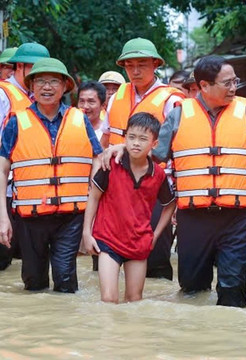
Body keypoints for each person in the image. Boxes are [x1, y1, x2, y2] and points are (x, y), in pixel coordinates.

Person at [102, 55, 246, 307]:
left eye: (235, 81)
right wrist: (121, 149)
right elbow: (155, 153)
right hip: (192, 219)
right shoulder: (180, 114)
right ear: (204, 86)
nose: (234, 88)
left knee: (232, 291)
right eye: (227, 83)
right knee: (193, 292)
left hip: (237, 218)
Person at [0, 57, 102, 292]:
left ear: (65, 86)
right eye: (41, 81)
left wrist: (93, 207)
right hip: (29, 217)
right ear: (32, 87)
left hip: (70, 217)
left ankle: (66, 327)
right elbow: (2, 168)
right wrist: (3, 217)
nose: (47, 87)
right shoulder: (16, 122)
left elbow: (98, 158)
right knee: (33, 282)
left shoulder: (79, 119)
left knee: (66, 281)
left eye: (54, 81)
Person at [100, 37, 184, 280]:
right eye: (129, 65)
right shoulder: (116, 97)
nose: (135, 71)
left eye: (142, 64)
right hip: (116, 187)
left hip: (153, 187)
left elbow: (176, 148)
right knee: (110, 252)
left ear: (155, 64)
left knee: (155, 256)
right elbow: (106, 141)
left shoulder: (172, 100)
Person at [83, 112, 175, 303]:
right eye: (131, 137)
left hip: (139, 243)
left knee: (135, 299)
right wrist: (86, 232)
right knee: (108, 299)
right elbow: (93, 196)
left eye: (143, 139)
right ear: (124, 139)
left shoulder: (157, 175)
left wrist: (155, 236)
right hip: (108, 239)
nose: (136, 143)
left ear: (154, 144)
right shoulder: (111, 165)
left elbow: (170, 205)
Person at [0, 42, 50, 271]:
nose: (41, 78)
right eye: (36, 70)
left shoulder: (35, 98)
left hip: (25, 192)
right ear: (20, 66)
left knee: (20, 259)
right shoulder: (4, 95)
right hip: (5, 189)